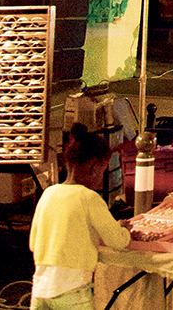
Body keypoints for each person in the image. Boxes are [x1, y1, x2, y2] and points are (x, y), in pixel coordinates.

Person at [30, 124, 131, 310]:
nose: (101, 177)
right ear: (94, 167)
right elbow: (117, 241)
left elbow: (33, 243)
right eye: (103, 171)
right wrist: (124, 229)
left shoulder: (49, 194)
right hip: (72, 290)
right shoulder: (90, 198)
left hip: (40, 289)